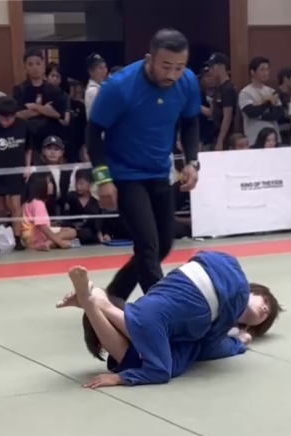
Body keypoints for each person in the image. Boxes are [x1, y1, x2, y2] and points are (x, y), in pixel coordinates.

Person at [87, 28, 201, 302]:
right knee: (147, 245)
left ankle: (114, 295)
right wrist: (103, 179)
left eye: (179, 67)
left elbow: (190, 122)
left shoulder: (187, 82)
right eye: (166, 66)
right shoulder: (119, 87)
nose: (172, 74)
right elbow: (93, 133)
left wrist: (192, 161)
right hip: (125, 175)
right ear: (149, 59)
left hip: (159, 171)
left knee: (163, 244)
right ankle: (161, 308)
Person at [57, 251, 283, 388]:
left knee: (134, 355)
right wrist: (239, 343)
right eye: (264, 300)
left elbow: (210, 347)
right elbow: (210, 346)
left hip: (163, 326)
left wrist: (239, 340)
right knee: (153, 361)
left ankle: (92, 304)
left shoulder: (222, 326)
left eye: (266, 314)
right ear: (252, 290)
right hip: (167, 312)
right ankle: (100, 305)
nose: (264, 308)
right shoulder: (235, 286)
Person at [0, 96, 32, 251]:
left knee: (15, 204)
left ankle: (17, 238)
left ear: (15, 115)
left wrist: (27, 167)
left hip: (17, 170)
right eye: (1, 118)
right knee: (1, 207)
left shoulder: (23, 125)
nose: (5, 122)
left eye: (9, 118)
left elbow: (28, 149)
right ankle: (2, 235)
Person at [13, 48, 67, 151]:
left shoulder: (54, 90)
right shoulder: (19, 89)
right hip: (28, 139)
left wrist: (34, 107)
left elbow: (58, 114)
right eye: (30, 64)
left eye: (38, 63)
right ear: (25, 67)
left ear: (43, 65)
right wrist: (44, 109)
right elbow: (18, 115)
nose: (35, 68)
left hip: (52, 140)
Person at [21, 172, 77, 250]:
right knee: (71, 233)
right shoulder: (38, 203)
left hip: (27, 237)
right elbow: (42, 226)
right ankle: (47, 243)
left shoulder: (28, 202)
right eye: (49, 182)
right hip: (35, 237)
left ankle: (49, 243)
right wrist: (60, 242)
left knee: (70, 231)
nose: (52, 185)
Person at [207, 53, 237, 151]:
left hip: (227, 137)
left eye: (212, 67)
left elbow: (227, 117)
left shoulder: (228, 89)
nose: (210, 70)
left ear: (220, 66)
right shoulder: (219, 88)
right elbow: (213, 112)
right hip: (216, 134)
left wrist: (220, 141)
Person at [84, 53, 108, 119]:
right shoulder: (93, 91)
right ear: (91, 71)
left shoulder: (102, 87)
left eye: (105, 67)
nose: (104, 71)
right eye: (100, 68)